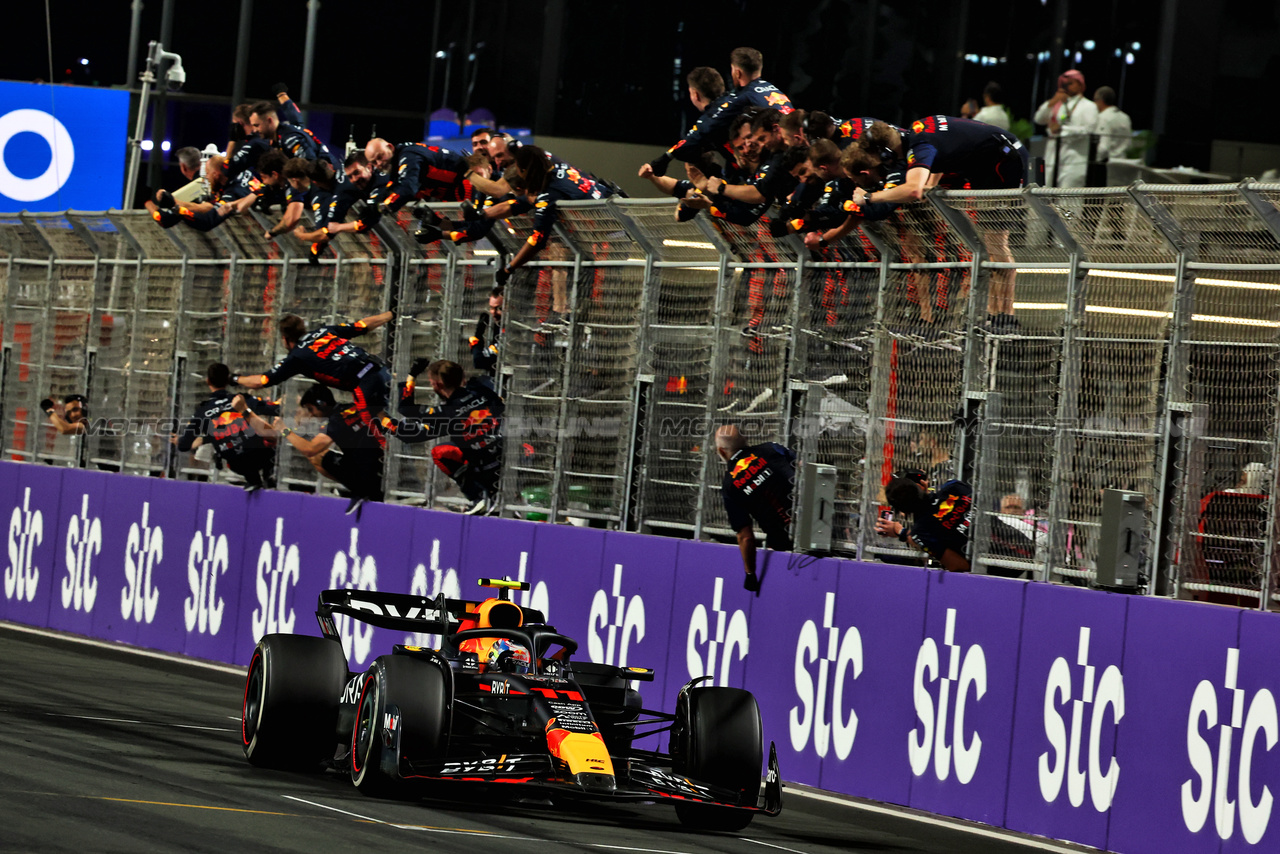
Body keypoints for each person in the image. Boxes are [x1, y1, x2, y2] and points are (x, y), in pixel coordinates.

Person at [843, 118, 1027, 328]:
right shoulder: (917, 136)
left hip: (1002, 162)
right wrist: (930, 183)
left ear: (885, 152)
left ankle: (1006, 316)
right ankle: (996, 314)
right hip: (986, 163)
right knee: (991, 243)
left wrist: (869, 198)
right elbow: (949, 149)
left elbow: (914, 189)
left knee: (996, 242)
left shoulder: (920, 145)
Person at [233, 311, 394, 436]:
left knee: (381, 432)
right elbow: (362, 325)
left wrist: (235, 378)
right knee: (399, 414)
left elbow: (263, 380)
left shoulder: (296, 357)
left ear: (285, 339)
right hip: (381, 369)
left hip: (365, 385)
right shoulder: (324, 331)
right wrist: (391, 314)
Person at [644, 47, 793, 177]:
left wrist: (665, 159)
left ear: (737, 72)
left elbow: (702, 130)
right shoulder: (771, 89)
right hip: (793, 146)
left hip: (782, 157)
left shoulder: (741, 97)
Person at [380, 359, 504, 514]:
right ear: (461, 378)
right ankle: (492, 496)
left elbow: (406, 411)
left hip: (484, 468)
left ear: (436, 385)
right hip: (508, 457)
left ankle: (477, 496)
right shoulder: (482, 391)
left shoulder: (446, 414)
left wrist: (411, 376)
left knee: (440, 452)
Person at [237, 383, 385, 514]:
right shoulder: (349, 409)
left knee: (318, 457)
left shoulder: (336, 422)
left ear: (320, 404)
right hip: (381, 465)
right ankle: (361, 488)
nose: (312, 414)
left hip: (369, 475)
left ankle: (361, 490)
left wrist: (285, 430)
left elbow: (310, 449)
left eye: (311, 409)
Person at [715, 424, 795, 593]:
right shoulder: (771, 449)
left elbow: (745, 537)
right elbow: (804, 467)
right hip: (816, 525)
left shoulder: (730, 486)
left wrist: (750, 573)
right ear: (745, 440)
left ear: (721, 451)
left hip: (783, 543)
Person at [175, 363, 279, 490]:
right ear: (227, 380)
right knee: (269, 436)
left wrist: (179, 441)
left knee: (232, 451)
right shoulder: (242, 399)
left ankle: (255, 480)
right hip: (261, 454)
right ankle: (269, 477)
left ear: (208, 381)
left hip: (237, 464)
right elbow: (274, 409)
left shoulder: (202, 411)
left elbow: (184, 445)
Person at [875, 471, 973, 571]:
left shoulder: (921, 532)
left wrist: (901, 532)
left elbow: (959, 566)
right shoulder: (953, 486)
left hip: (982, 559)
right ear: (920, 486)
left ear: (902, 511)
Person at [1033, 69, 1098, 188]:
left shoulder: (1089, 106)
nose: (1067, 87)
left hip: (1075, 157)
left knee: (1068, 193)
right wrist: (1053, 101)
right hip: (1052, 154)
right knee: (1045, 190)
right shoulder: (1060, 104)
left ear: (1080, 84)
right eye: (1065, 84)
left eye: (1070, 84)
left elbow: (1088, 130)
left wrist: (1062, 130)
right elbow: (1039, 119)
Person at [470, 285, 504, 377]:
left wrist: (478, 336)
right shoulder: (498, 327)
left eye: (498, 308)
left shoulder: (509, 330)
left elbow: (480, 360)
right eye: (491, 308)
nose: (493, 312)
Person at [1093, 85, 1133, 163]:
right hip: (1122, 162)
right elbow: (1129, 144)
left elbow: (1103, 148)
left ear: (1100, 101)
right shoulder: (1125, 117)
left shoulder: (1103, 118)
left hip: (1107, 164)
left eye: (1095, 100)